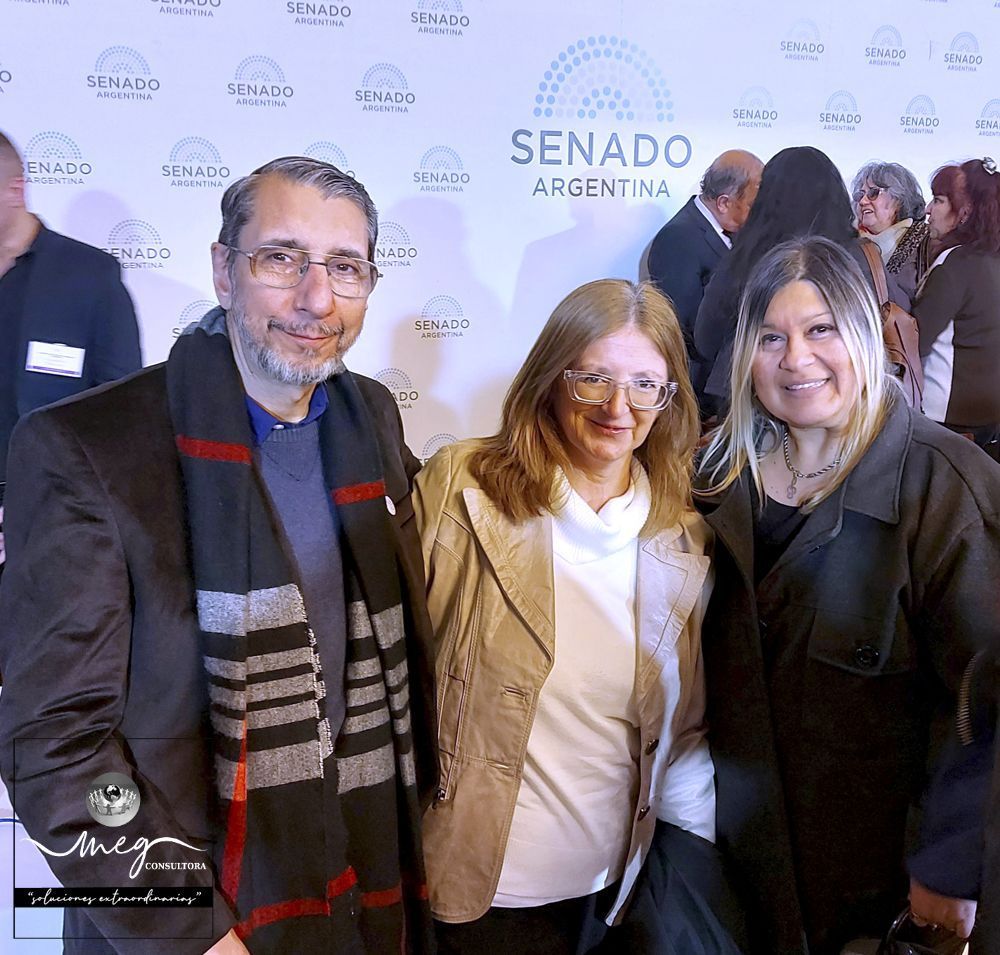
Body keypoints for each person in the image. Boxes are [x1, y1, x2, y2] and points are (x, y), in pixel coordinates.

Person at [0, 156, 437, 954]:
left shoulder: (368, 417)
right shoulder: (84, 449)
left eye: (345, 267)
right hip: (191, 916)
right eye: (281, 258)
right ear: (222, 270)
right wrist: (187, 930)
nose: (316, 298)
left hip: (357, 888)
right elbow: (58, 748)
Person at [414, 280, 741, 954]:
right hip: (474, 902)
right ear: (551, 379)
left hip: (612, 905)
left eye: (646, 384)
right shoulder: (461, 488)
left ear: (670, 398)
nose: (619, 407)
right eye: (593, 377)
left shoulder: (685, 540)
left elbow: (679, 736)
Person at [696, 236, 1000, 955]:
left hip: (886, 888)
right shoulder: (712, 477)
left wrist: (951, 864)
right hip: (742, 871)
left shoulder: (945, 484)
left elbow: (987, 697)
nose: (796, 358)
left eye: (820, 329)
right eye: (772, 336)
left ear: (865, 333)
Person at [0, 130, 141, 566]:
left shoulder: (89, 276)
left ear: (15, 189)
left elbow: (120, 412)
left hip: (53, 525)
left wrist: (31, 513)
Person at [694, 146, 908, 412]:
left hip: (749, 409)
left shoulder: (746, 258)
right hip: (845, 412)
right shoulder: (858, 259)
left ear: (766, 197)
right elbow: (897, 319)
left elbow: (705, 339)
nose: (796, 358)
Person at [647, 150, 763, 402]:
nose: (758, 214)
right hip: (699, 393)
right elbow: (685, 326)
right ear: (723, 202)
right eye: (753, 205)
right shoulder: (679, 238)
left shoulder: (734, 233)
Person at [914, 157, 1000, 460]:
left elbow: (916, 342)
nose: (927, 209)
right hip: (988, 420)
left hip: (946, 422)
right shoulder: (990, 259)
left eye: (938, 200)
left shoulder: (954, 264)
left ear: (964, 212)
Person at [851, 160, 930, 301]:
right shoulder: (849, 242)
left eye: (873, 193)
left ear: (898, 200)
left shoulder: (924, 240)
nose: (862, 201)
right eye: (860, 194)